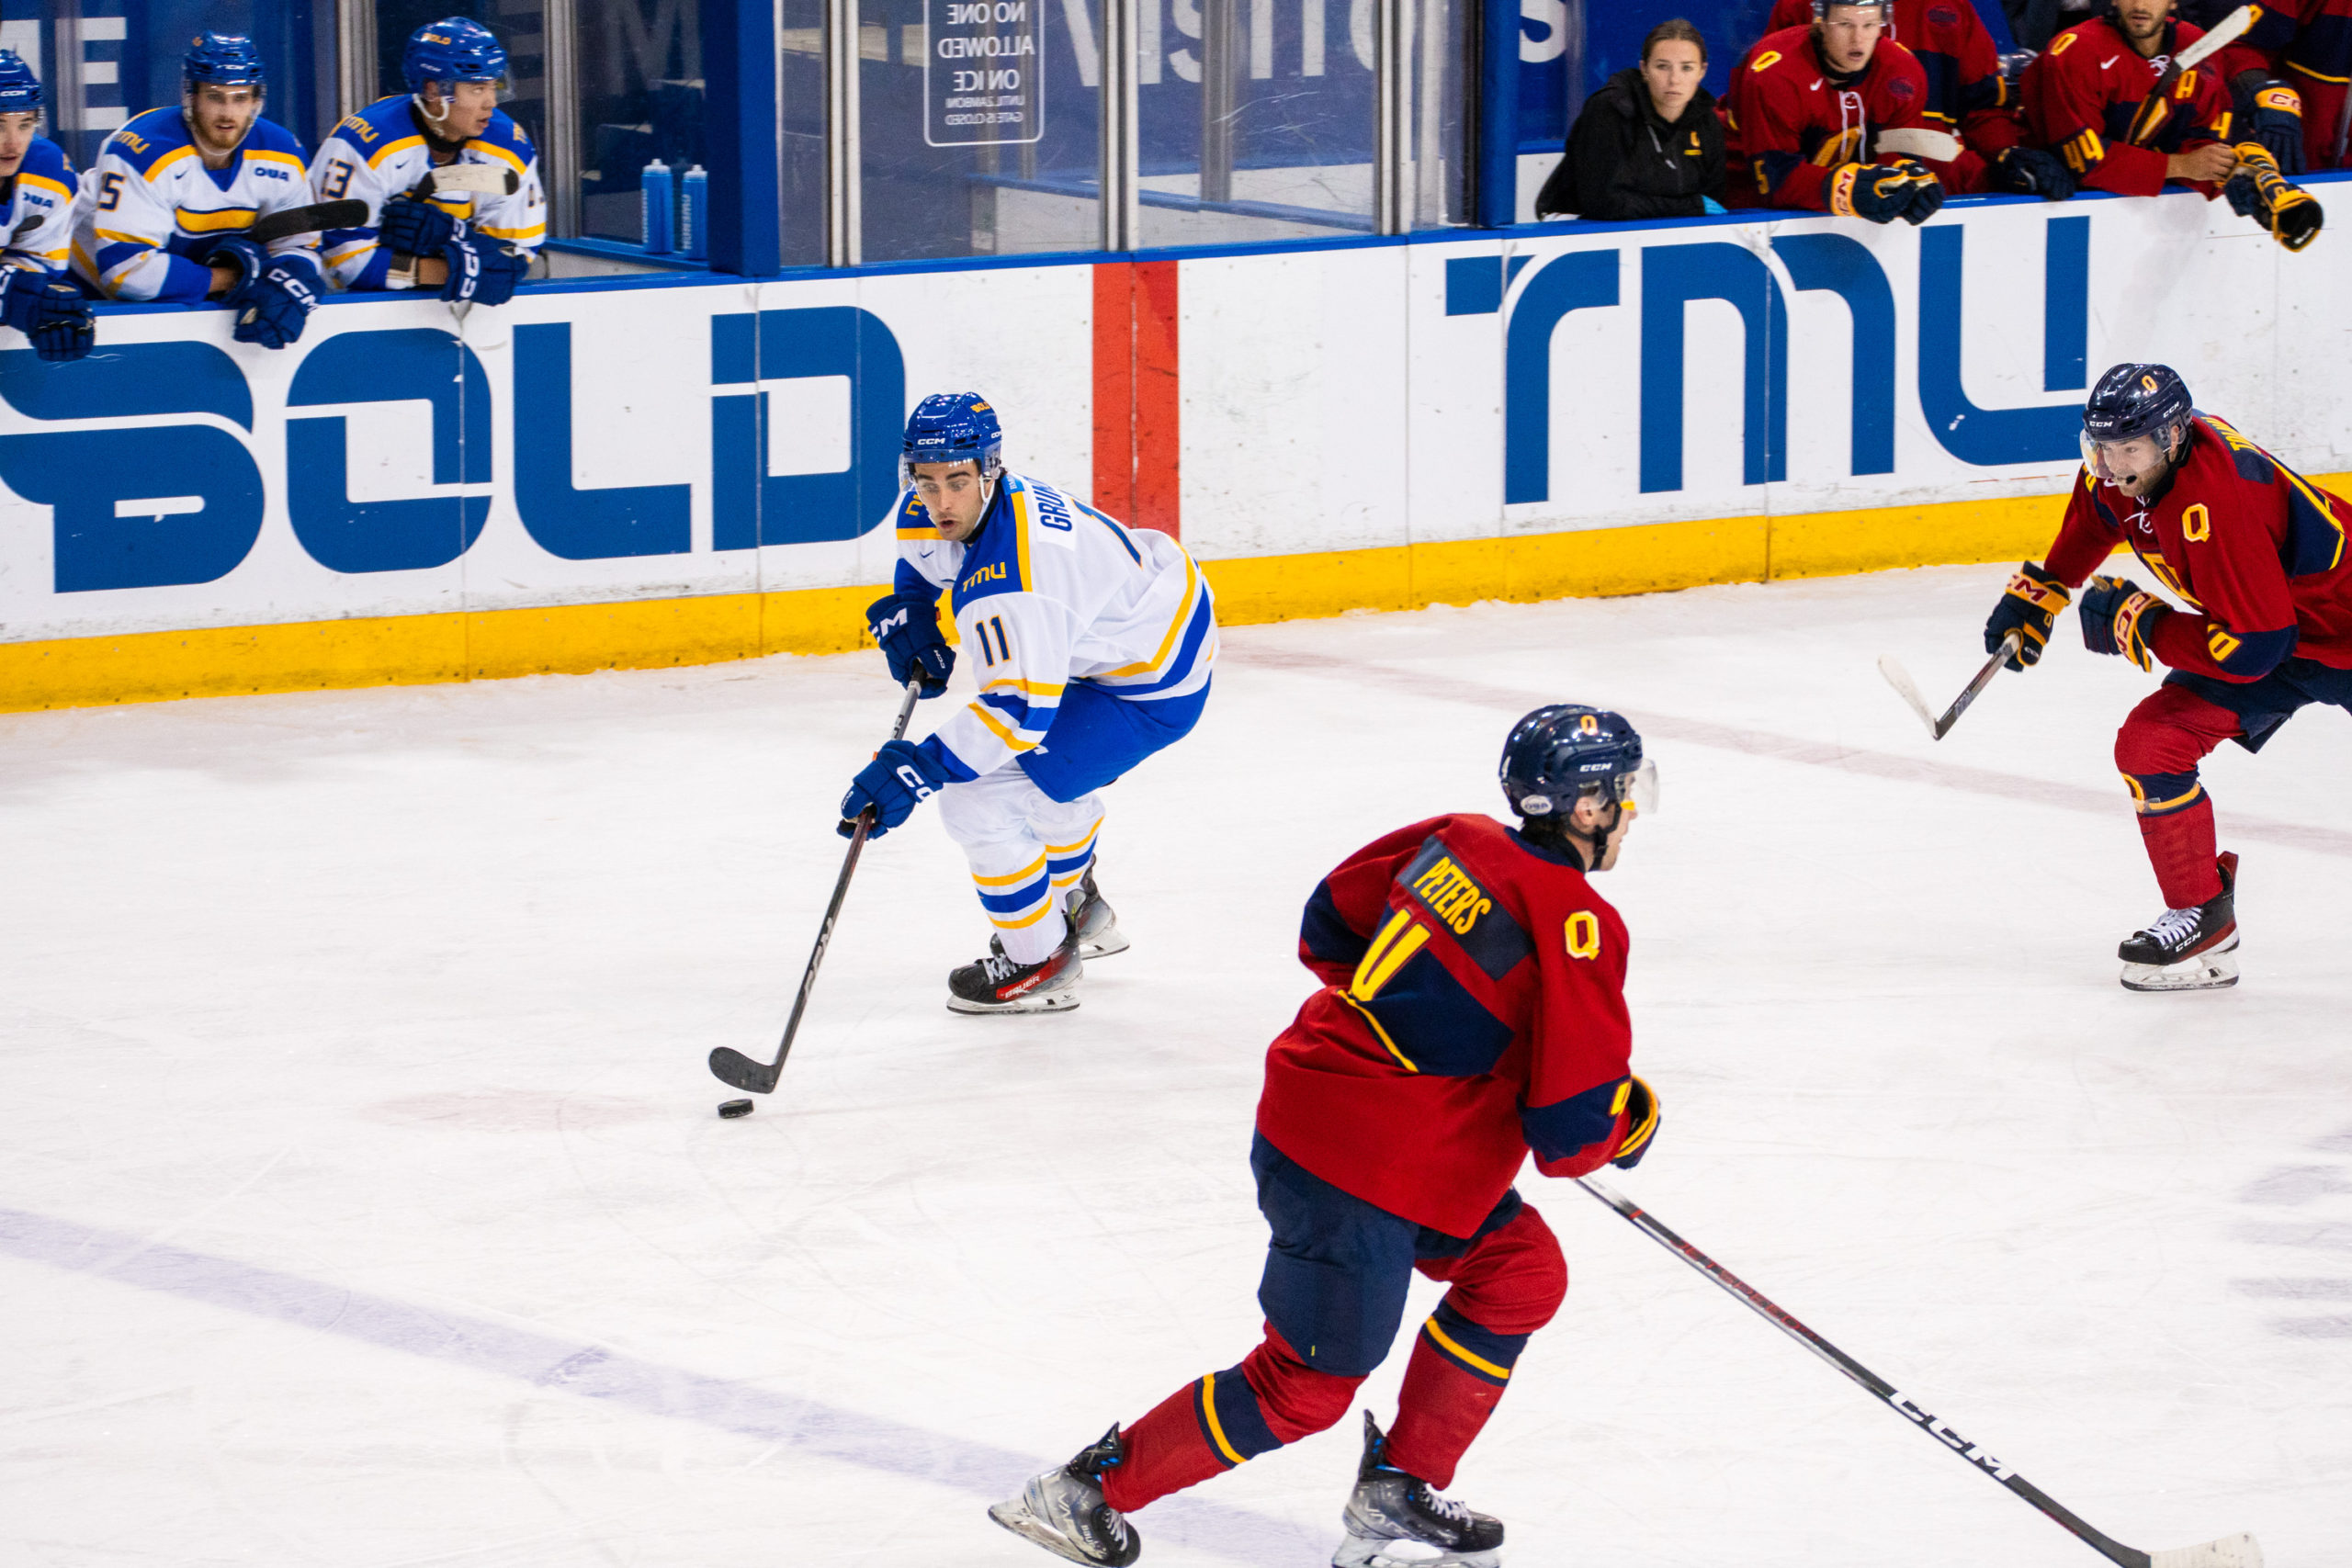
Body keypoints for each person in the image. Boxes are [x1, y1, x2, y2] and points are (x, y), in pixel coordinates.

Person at [987, 706, 1662, 1568]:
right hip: (1359, 1162)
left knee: (1518, 1271)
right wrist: (1626, 1119)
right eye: (1622, 792)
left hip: (1360, 1118)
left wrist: (1424, 1032)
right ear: (1587, 806)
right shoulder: (1579, 922)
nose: (1630, 811)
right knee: (1307, 1381)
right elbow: (1573, 1133)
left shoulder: (1454, 836)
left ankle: (1397, 1490)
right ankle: (1082, 1494)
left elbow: (1330, 925)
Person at [839, 393, 1216, 1014]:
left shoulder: (1018, 581)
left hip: (1152, 678)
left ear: (992, 468)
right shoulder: (942, 504)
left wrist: (916, 769)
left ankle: (1038, 960)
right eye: (926, 482)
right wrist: (914, 605)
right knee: (1042, 781)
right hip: (1129, 622)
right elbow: (923, 554)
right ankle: (1080, 908)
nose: (941, 503)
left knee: (977, 797)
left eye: (957, 482)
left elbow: (1018, 713)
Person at [1983, 363, 2352, 991]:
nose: (2112, 465)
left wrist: (2144, 625)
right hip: (2271, 627)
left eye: (2129, 449)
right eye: (2100, 447)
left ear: (2174, 437)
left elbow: (2258, 648)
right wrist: (2043, 590)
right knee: (2151, 744)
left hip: (2308, 630)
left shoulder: (2218, 501)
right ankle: (2203, 916)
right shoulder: (2120, 470)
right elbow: (2095, 517)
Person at [70, 34, 323, 350]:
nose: (228, 114)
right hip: (81, 291)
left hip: (180, 296)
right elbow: (126, 273)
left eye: (240, 98)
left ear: (257, 101)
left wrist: (288, 281)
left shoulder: (283, 153)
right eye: (215, 97)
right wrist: (232, 278)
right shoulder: (144, 150)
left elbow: (301, 247)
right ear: (191, 96)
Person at [308, 17, 544, 306]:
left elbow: (512, 262)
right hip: (346, 315)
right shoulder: (364, 144)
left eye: (494, 86)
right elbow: (344, 261)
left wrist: (450, 237)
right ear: (433, 90)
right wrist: (458, 265)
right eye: (476, 89)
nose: (491, 103)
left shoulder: (510, 148)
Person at [1757, 0, 2078, 197]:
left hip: (1931, 187)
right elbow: (1774, 109)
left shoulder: (1951, 10)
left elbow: (1982, 108)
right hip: (1823, 189)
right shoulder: (1801, 7)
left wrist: (2006, 153)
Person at [1722, 0, 1951, 220]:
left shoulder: (1902, 71)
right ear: (1820, 22)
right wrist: (1846, 190)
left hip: (1829, 211)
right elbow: (1775, 179)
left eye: (1869, 25)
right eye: (1845, 24)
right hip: (1742, 209)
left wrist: (1907, 181)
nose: (1858, 39)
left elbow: (1898, 152)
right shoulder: (1775, 75)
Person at [2018, 0, 2239, 195]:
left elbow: (2204, 140)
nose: (2139, 6)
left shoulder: (2197, 46)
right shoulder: (2076, 51)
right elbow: (2085, 162)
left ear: (2173, 2)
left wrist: (2229, 171)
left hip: (2144, 200)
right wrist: (2179, 166)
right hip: (2045, 190)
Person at [1534, 18, 1724, 220]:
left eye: (1686, 68)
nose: (1674, 79)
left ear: (1702, 71)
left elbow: (1712, 198)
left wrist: (1687, 209)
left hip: (1662, 231)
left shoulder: (1706, 120)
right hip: (1576, 230)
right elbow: (1602, 202)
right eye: (1662, 67)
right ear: (1644, 69)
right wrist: (1688, 206)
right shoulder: (1610, 108)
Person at [0, 50, 95, 364]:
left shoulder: (49, 171)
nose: (13, 143)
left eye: (25, 124)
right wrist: (13, 295)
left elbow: (38, 271)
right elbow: (15, 291)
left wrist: (35, 296)